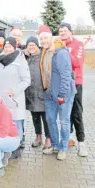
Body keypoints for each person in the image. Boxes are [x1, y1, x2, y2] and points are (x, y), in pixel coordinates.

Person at [39, 25, 76, 160]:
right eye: (41, 39)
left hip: (63, 93)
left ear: (51, 38)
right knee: (50, 119)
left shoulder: (60, 52)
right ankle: (55, 145)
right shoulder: (44, 52)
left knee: (64, 121)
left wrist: (61, 94)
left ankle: (63, 148)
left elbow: (66, 75)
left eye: (46, 38)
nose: (44, 41)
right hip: (49, 92)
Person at [0, 37, 31, 159]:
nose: (7, 49)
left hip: (15, 99)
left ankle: (16, 148)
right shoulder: (0, 60)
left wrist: (14, 91)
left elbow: (26, 80)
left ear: (14, 47)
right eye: (5, 47)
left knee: (16, 124)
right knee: (4, 124)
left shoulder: (20, 60)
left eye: (10, 46)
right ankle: (7, 147)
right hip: (2, 99)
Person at [59, 22, 88, 157]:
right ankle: (68, 138)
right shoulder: (58, 44)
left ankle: (81, 143)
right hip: (62, 83)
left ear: (70, 32)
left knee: (76, 113)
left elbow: (77, 63)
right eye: (60, 31)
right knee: (65, 113)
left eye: (65, 31)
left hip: (75, 83)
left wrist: (65, 51)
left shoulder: (78, 44)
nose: (62, 33)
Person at [24, 36, 51, 149]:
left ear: (37, 45)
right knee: (35, 117)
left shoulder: (43, 55)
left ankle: (48, 139)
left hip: (43, 92)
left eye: (33, 45)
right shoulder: (26, 58)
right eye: (29, 45)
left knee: (45, 118)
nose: (31, 47)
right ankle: (38, 136)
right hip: (31, 93)